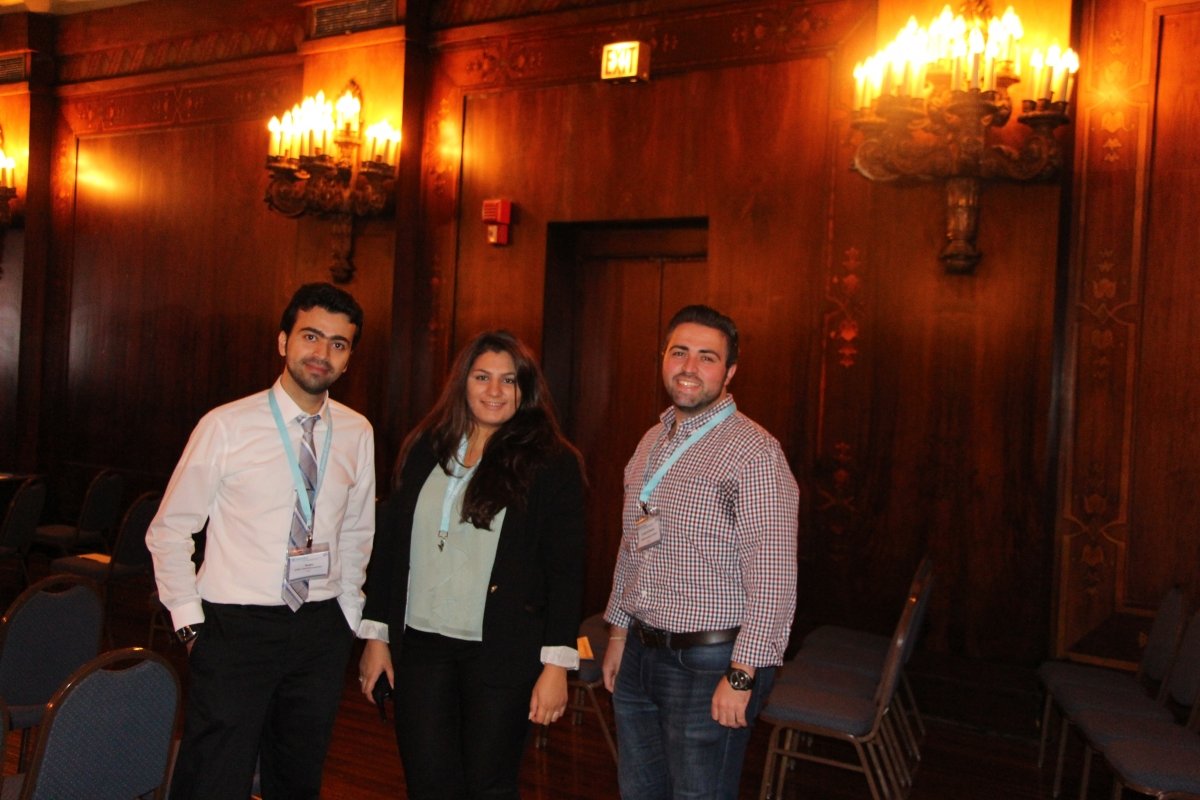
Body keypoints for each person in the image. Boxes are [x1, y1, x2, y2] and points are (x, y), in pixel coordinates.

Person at [146, 282, 376, 799]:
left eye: (338, 343)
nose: (322, 353)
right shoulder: (226, 426)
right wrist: (189, 624)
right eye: (311, 336)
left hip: (319, 628)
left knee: (297, 778)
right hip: (236, 627)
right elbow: (170, 529)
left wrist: (348, 612)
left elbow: (357, 530)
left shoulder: (357, 432)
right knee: (214, 777)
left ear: (348, 359)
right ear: (283, 341)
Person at [358, 329, 586, 800]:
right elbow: (392, 547)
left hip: (500, 652)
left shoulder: (552, 462)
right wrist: (376, 637)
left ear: (525, 389)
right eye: (482, 377)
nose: (494, 390)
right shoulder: (426, 445)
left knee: (489, 787)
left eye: (509, 379)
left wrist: (556, 666)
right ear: (462, 382)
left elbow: (566, 571)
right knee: (427, 782)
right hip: (421, 647)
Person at [602, 304, 799, 799]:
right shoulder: (652, 439)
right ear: (662, 358)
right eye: (679, 352)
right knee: (638, 792)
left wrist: (742, 674)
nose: (689, 367)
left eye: (707, 357)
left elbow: (773, 575)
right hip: (640, 653)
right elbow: (633, 543)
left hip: (711, 663)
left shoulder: (755, 452)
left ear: (729, 372)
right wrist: (618, 633)